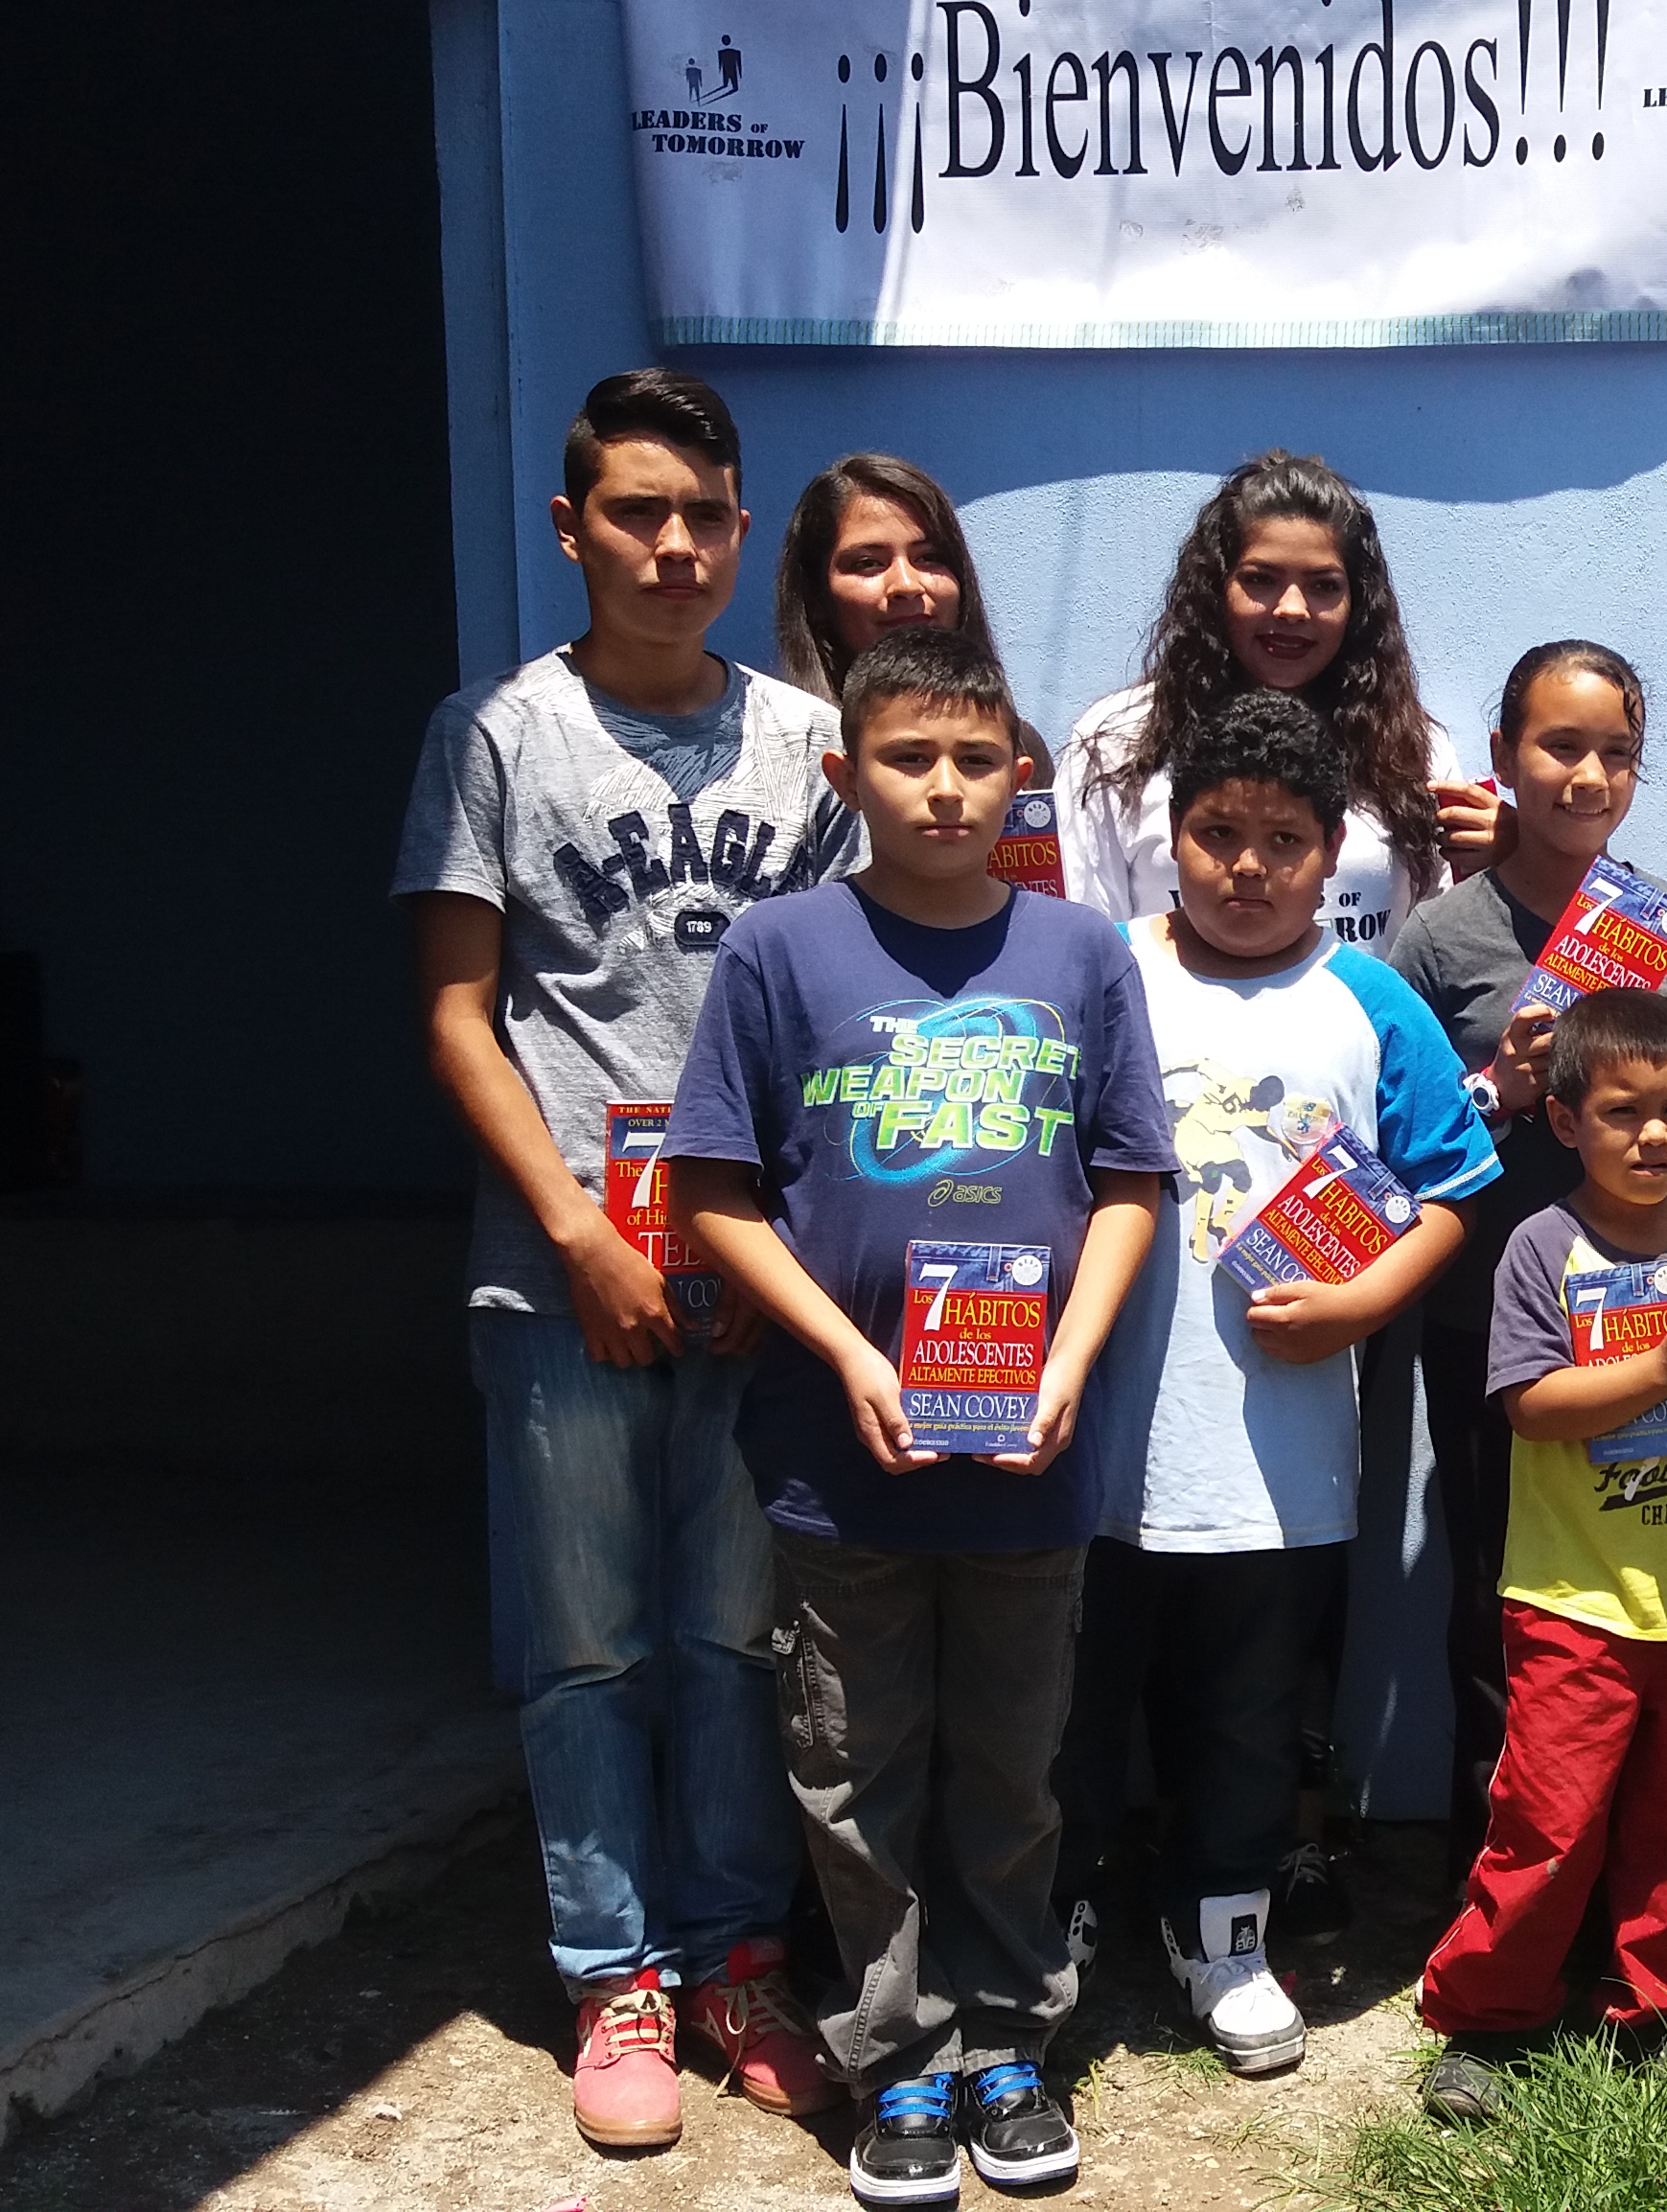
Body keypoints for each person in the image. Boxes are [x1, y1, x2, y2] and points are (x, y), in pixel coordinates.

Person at [664, 625, 1176, 2205]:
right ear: (846, 771)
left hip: (1026, 1459)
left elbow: (1130, 1181)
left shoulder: (1080, 955)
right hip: (843, 1461)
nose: (944, 789)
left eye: (973, 759)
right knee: (854, 1766)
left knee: (1011, 1769)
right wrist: (848, 1355)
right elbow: (713, 1191)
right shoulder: (780, 950)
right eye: (908, 758)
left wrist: (1070, 1361)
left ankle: (1010, 2039)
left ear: (1019, 774)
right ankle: (895, 2057)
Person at [393, 366, 845, 2152]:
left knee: (735, 1635)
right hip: (560, 1269)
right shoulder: (497, 733)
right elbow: (455, 1010)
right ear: (570, 527)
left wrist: (771, 1244)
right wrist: (579, 1231)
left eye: (703, 515)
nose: (673, 545)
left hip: (753, 1268)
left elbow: (843, 1006)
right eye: (636, 513)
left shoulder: (810, 740)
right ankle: (613, 1976)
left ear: (740, 532)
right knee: (589, 1647)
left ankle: (738, 1957)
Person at [1056, 688, 1499, 2073]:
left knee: (1252, 1714)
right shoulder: (1099, 970)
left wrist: (1363, 1301)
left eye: (1285, 841)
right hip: (1091, 1440)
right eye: (1217, 834)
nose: (1247, 867)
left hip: (1280, 1455)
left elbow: (1451, 1186)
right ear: (1169, 840)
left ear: (1331, 856)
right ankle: (1056, 1913)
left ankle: (1224, 1928)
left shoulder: (1368, 999)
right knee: (1071, 1700)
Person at [1383, 639, 1667, 1898]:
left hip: (1650, 1320)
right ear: (1503, 758)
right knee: (1502, 1594)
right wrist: (1502, 1086)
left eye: (1616, 753)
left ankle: (1637, 1883)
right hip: (1490, 1322)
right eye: (1559, 746)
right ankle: (1499, 1891)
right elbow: (1394, 1147)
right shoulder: (1439, 943)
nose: (1587, 776)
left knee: (1644, 1590)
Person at [1414, 986, 1667, 2123]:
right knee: (1549, 1822)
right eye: (1624, 1112)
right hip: (1572, 1599)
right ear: (1566, 1121)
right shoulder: (1541, 1247)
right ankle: (1490, 2019)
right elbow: (1532, 1407)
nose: (1655, 1136)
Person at [1053, 450, 1500, 948]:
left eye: (1324, 586)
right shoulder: (1117, 743)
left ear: (1357, 604)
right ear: (1216, 589)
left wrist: (1512, 867)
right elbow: (1086, 943)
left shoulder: (1411, 749)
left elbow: (1437, 942)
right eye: (1261, 579)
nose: (1292, 609)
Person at [770, 450, 1054, 788]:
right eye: (868, 563)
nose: (907, 585)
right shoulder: (778, 753)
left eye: (929, 558)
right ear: (816, 597)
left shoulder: (1017, 748)